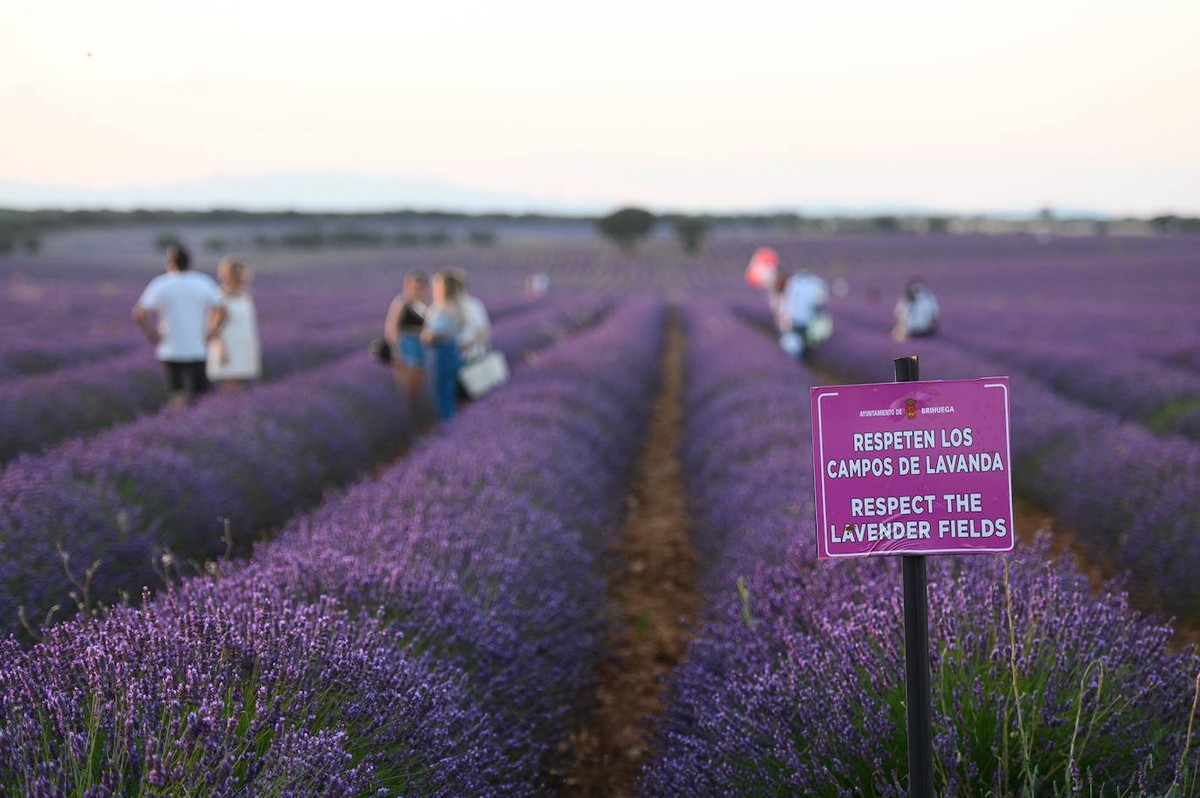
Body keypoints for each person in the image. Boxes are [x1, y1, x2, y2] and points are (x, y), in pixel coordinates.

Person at [132, 244, 226, 408]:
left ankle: (179, 424)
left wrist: (152, 334)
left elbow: (139, 314)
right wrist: (211, 331)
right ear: (189, 262)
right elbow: (222, 310)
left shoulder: (161, 283)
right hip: (198, 347)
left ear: (170, 263)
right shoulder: (202, 282)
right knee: (201, 394)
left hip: (171, 348)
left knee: (177, 393)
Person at [206, 255, 261, 392]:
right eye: (238, 274)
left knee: (241, 387)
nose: (243, 277)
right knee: (229, 388)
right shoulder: (220, 297)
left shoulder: (246, 295)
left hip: (244, 347)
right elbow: (212, 328)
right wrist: (221, 349)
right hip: (228, 349)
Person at [383, 270, 430, 423]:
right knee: (407, 389)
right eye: (414, 286)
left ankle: (418, 419)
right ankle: (409, 421)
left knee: (419, 387)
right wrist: (396, 352)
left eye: (419, 287)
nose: (416, 290)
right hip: (407, 345)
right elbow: (391, 328)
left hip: (422, 346)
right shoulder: (401, 302)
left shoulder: (424, 304)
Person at [421, 270, 467, 423]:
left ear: (444, 287)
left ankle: (447, 431)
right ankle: (450, 430)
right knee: (449, 393)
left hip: (440, 353)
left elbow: (433, 335)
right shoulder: (457, 306)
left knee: (441, 396)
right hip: (451, 350)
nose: (433, 288)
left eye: (437, 285)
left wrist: (424, 335)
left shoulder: (443, 308)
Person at [776, 266, 830, 361]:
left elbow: (784, 303)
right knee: (799, 345)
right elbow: (820, 302)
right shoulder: (816, 283)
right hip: (806, 321)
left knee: (794, 345)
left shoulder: (792, 282)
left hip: (796, 320)